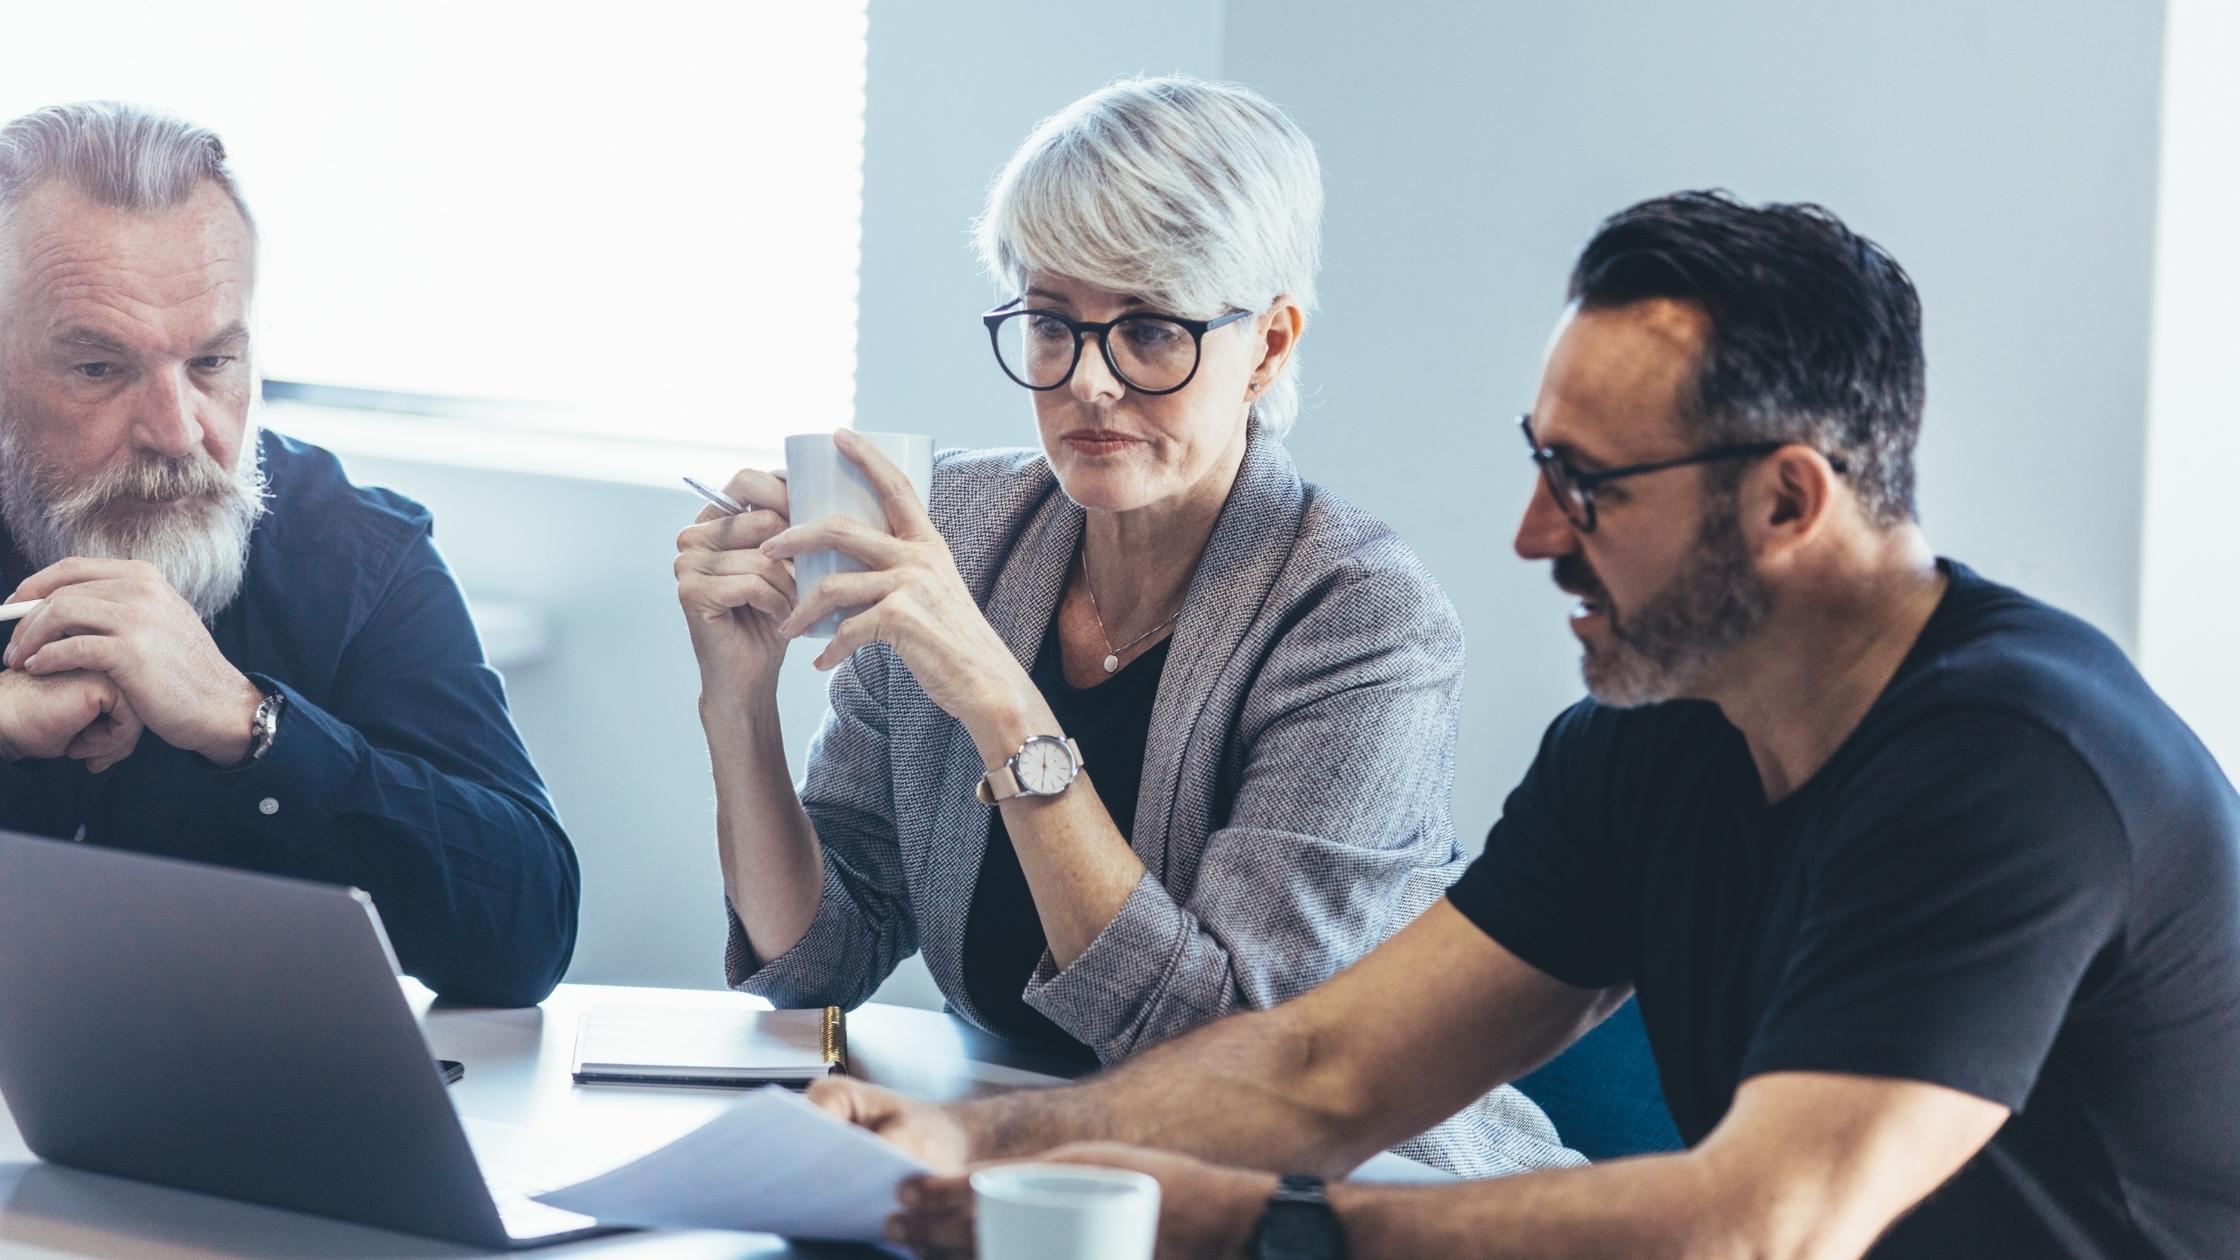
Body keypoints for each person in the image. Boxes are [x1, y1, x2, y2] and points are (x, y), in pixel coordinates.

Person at [813, 192, 2240, 1258]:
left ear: (1790, 503)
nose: (1529, 532)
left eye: (1587, 483)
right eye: (1534, 461)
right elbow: (1334, 1069)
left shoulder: (2013, 769)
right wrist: (977, 1143)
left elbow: (1762, 1226)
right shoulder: (1658, 731)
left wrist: (1264, 1229)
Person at [675, 77, 1570, 1174]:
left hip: (1346, 1200)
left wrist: (1003, 707)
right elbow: (816, 962)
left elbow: (1241, 1069)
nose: (1088, 383)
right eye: (1052, 324)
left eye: (1149, 331)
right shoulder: (956, 526)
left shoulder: (1361, 621)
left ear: (1272, 345)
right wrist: (739, 696)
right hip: (1031, 1164)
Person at [0, 102, 578, 1007]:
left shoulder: (356, 555)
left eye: (214, 363)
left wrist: (249, 724)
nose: (179, 431)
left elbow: (527, 934)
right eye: (98, 370)